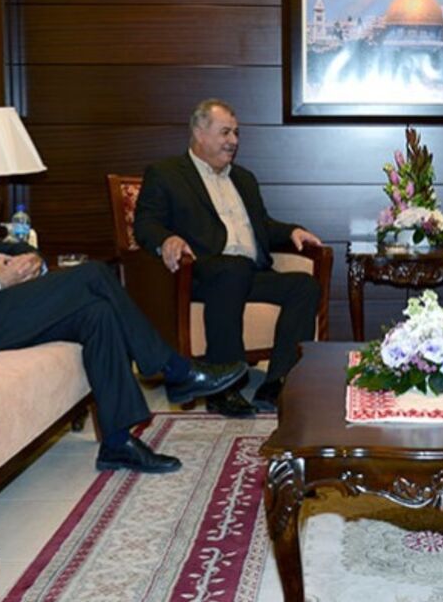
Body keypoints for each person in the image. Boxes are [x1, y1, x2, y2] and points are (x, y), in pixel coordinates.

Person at [0, 128, 248, 474]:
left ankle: (118, 442)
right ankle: (172, 369)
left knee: (96, 313)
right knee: (94, 275)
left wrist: (28, 258)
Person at [134, 99, 323, 416]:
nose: (233, 141)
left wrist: (291, 231)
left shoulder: (244, 179)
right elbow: (145, 223)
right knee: (232, 269)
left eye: (236, 133)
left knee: (304, 286)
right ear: (199, 132)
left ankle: (275, 384)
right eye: (225, 132)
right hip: (199, 274)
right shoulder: (166, 174)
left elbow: (261, 225)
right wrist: (166, 239)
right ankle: (225, 387)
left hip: (247, 273)